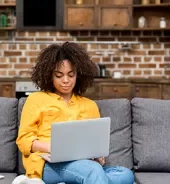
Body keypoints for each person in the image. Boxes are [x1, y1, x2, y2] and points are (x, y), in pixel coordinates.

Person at [14, 42, 134, 184]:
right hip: (47, 164)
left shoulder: (90, 105)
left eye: (71, 75)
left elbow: (94, 143)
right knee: (92, 171)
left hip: (83, 163)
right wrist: (53, 147)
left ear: (78, 75)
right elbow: (24, 140)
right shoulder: (36, 99)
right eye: (59, 75)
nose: (66, 80)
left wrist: (97, 157)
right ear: (49, 76)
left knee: (125, 175)